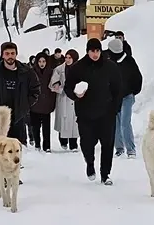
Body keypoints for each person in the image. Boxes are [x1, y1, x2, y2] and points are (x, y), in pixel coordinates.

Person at [63, 38, 122, 185]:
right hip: (85, 113)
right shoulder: (78, 68)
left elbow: (118, 89)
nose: (95, 54)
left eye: (97, 51)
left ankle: (105, 174)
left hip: (107, 113)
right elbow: (68, 86)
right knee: (87, 143)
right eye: (92, 51)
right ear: (87, 51)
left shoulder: (110, 67)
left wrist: (115, 108)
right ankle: (90, 163)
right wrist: (75, 95)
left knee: (107, 144)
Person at [0, 42, 39, 145]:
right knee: (2, 146)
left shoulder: (27, 72)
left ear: (16, 54)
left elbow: (35, 90)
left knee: (17, 147)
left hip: (19, 114)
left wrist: (26, 104)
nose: (10, 56)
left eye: (12, 53)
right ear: (2, 55)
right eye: (7, 53)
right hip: (1, 115)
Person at [106, 37, 143, 159]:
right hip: (113, 98)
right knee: (114, 123)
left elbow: (138, 78)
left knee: (125, 123)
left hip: (127, 97)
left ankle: (131, 150)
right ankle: (119, 148)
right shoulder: (109, 62)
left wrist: (133, 92)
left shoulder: (129, 61)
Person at [50, 49, 80, 151]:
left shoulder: (79, 69)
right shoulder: (59, 69)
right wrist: (56, 84)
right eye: (66, 57)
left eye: (70, 58)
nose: (67, 60)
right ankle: (63, 141)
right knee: (63, 120)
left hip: (74, 97)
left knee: (74, 122)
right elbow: (53, 81)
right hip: (63, 96)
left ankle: (73, 144)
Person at [29, 53, 57, 152]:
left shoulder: (51, 72)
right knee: (35, 127)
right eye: (40, 61)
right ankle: (37, 144)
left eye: (44, 61)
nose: (42, 64)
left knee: (46, 128)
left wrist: (52, 101)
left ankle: (47, 146)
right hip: (34, 105)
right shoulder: (31, 72)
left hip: (46, 104)